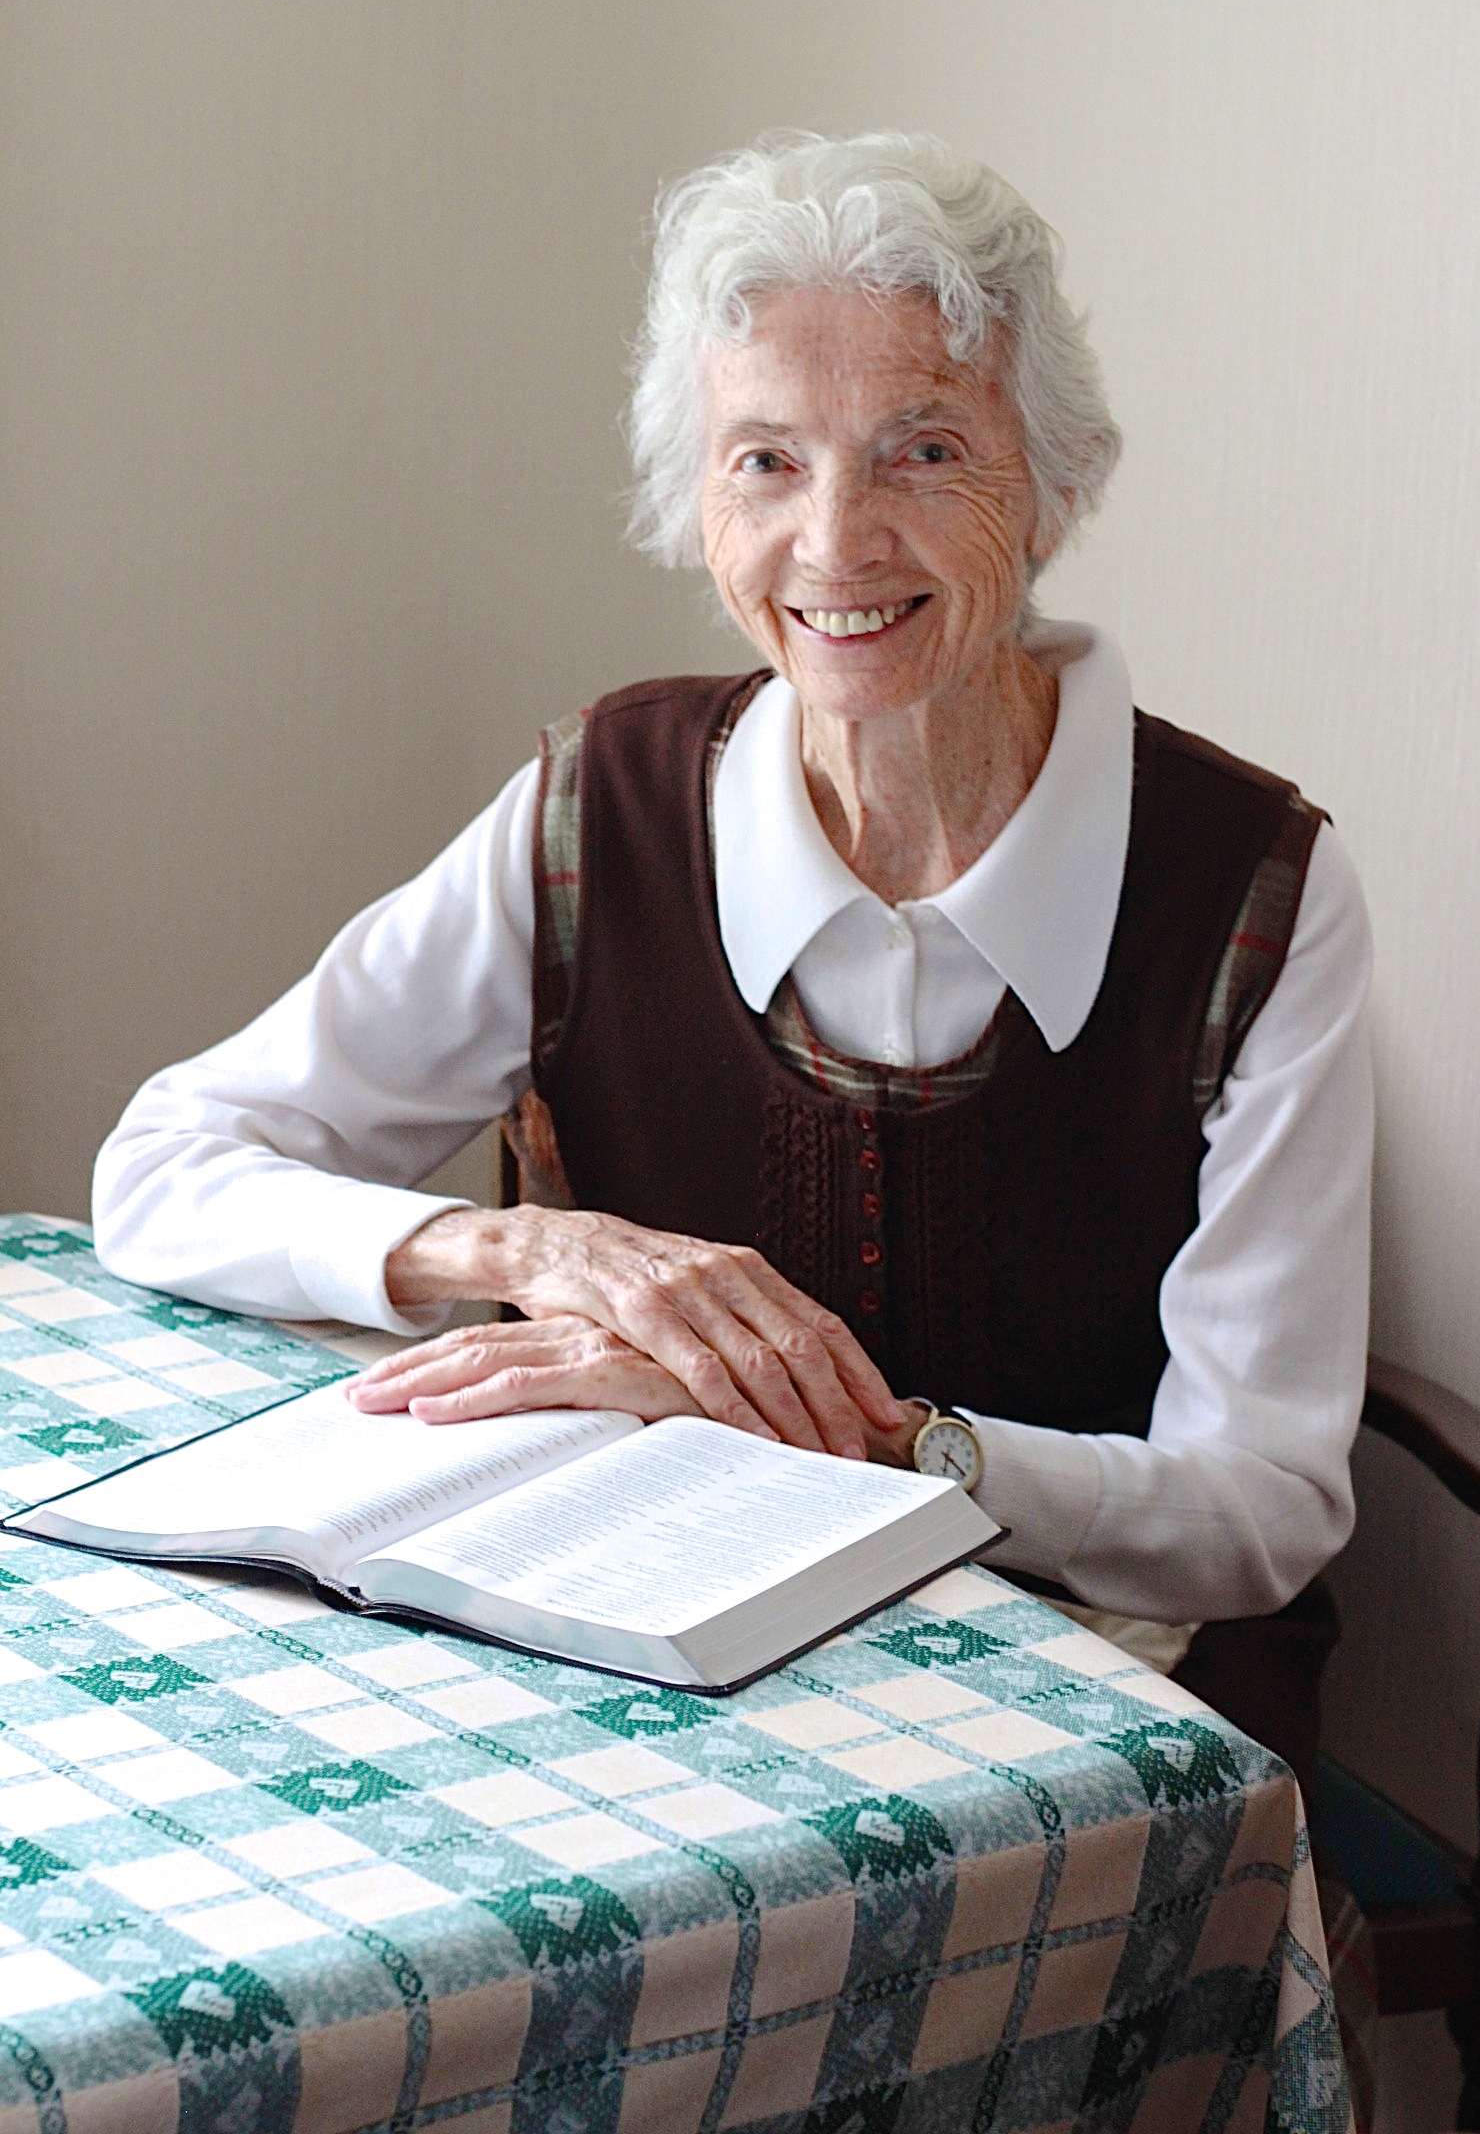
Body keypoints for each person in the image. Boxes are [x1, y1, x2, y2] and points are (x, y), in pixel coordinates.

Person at [94, 132, 1372, 1798]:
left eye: (924, 450)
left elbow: (1260, 1513)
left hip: (1094, 1708)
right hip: (660, 1685)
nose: (835, 542)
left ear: (1055, 481)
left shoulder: (1256, 886)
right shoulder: (601, 807)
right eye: (765, 460)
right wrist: (537, 1249)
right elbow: (164, 1169)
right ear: (695, 498)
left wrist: (855, 1436)